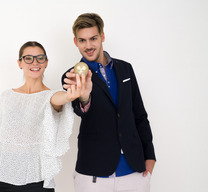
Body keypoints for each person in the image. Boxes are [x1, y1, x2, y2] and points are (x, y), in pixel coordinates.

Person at [62, 13, 156, 192]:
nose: (88, 46)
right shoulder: (72, 76)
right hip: (93, 174)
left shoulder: (125, 69)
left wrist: (150, 156)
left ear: (102, 37)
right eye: (82, 40)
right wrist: (84, 96)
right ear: (75, 42)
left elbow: (139, 115)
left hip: (134, 172)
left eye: (93, 38)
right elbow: (80, 109)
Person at [0, 41, 86, 192]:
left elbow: (60, 99)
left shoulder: (50, 96)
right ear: (20, 63)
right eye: (28, 58)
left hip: (36, 183)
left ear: (46, 62)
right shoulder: (6, 97)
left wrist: (70, 96)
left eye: (40, 58)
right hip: (1, 180)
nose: (34, 62)